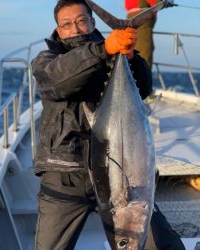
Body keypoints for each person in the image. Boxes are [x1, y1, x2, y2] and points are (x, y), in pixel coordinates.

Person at [32, 0, 184, 249]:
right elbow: (59, 80)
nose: (76, 29)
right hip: (66, 175)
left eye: (82, 21)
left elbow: (144, 88)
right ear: (58, 31)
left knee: (166, 245)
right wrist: (104, 48)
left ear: (92, 22)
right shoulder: (46, 60)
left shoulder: (112, 54)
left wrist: (131, 57)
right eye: (67, 24)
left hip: (124, 175)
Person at [124, 0, 174, 70]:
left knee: (133, 51)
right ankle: (142, 79)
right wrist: (167, 2)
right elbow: (158, 2)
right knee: (144, 53)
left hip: (133, 19)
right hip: (141, 20)